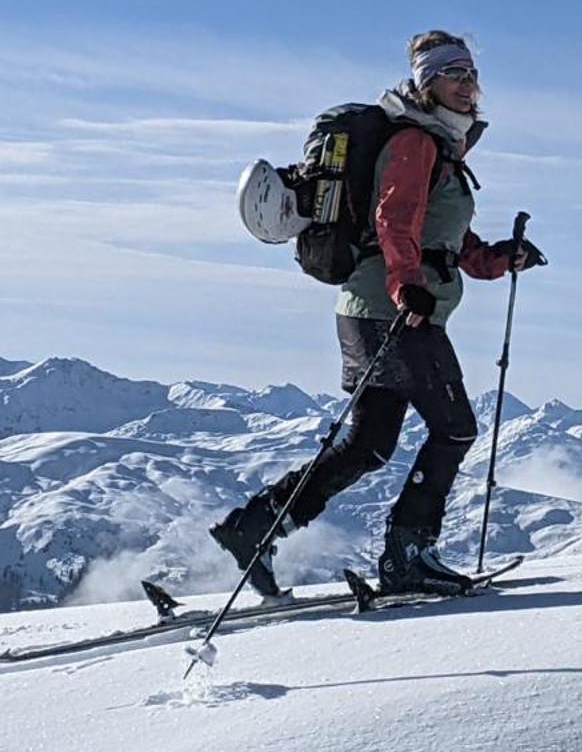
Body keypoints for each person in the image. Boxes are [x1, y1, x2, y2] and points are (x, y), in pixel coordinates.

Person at [211, 30, 546, 599]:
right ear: (426, 83)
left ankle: (255, 526)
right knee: (455, 426)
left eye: (470, 74)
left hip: (375, 310)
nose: (467, 85)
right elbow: (395, 220)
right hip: (393, 313)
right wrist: (405, 287)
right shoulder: (416, 142)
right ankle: (407, 554)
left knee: (367, 445)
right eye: (453, 74)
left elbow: (448, 239)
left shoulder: (440, 146)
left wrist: (498, 260)